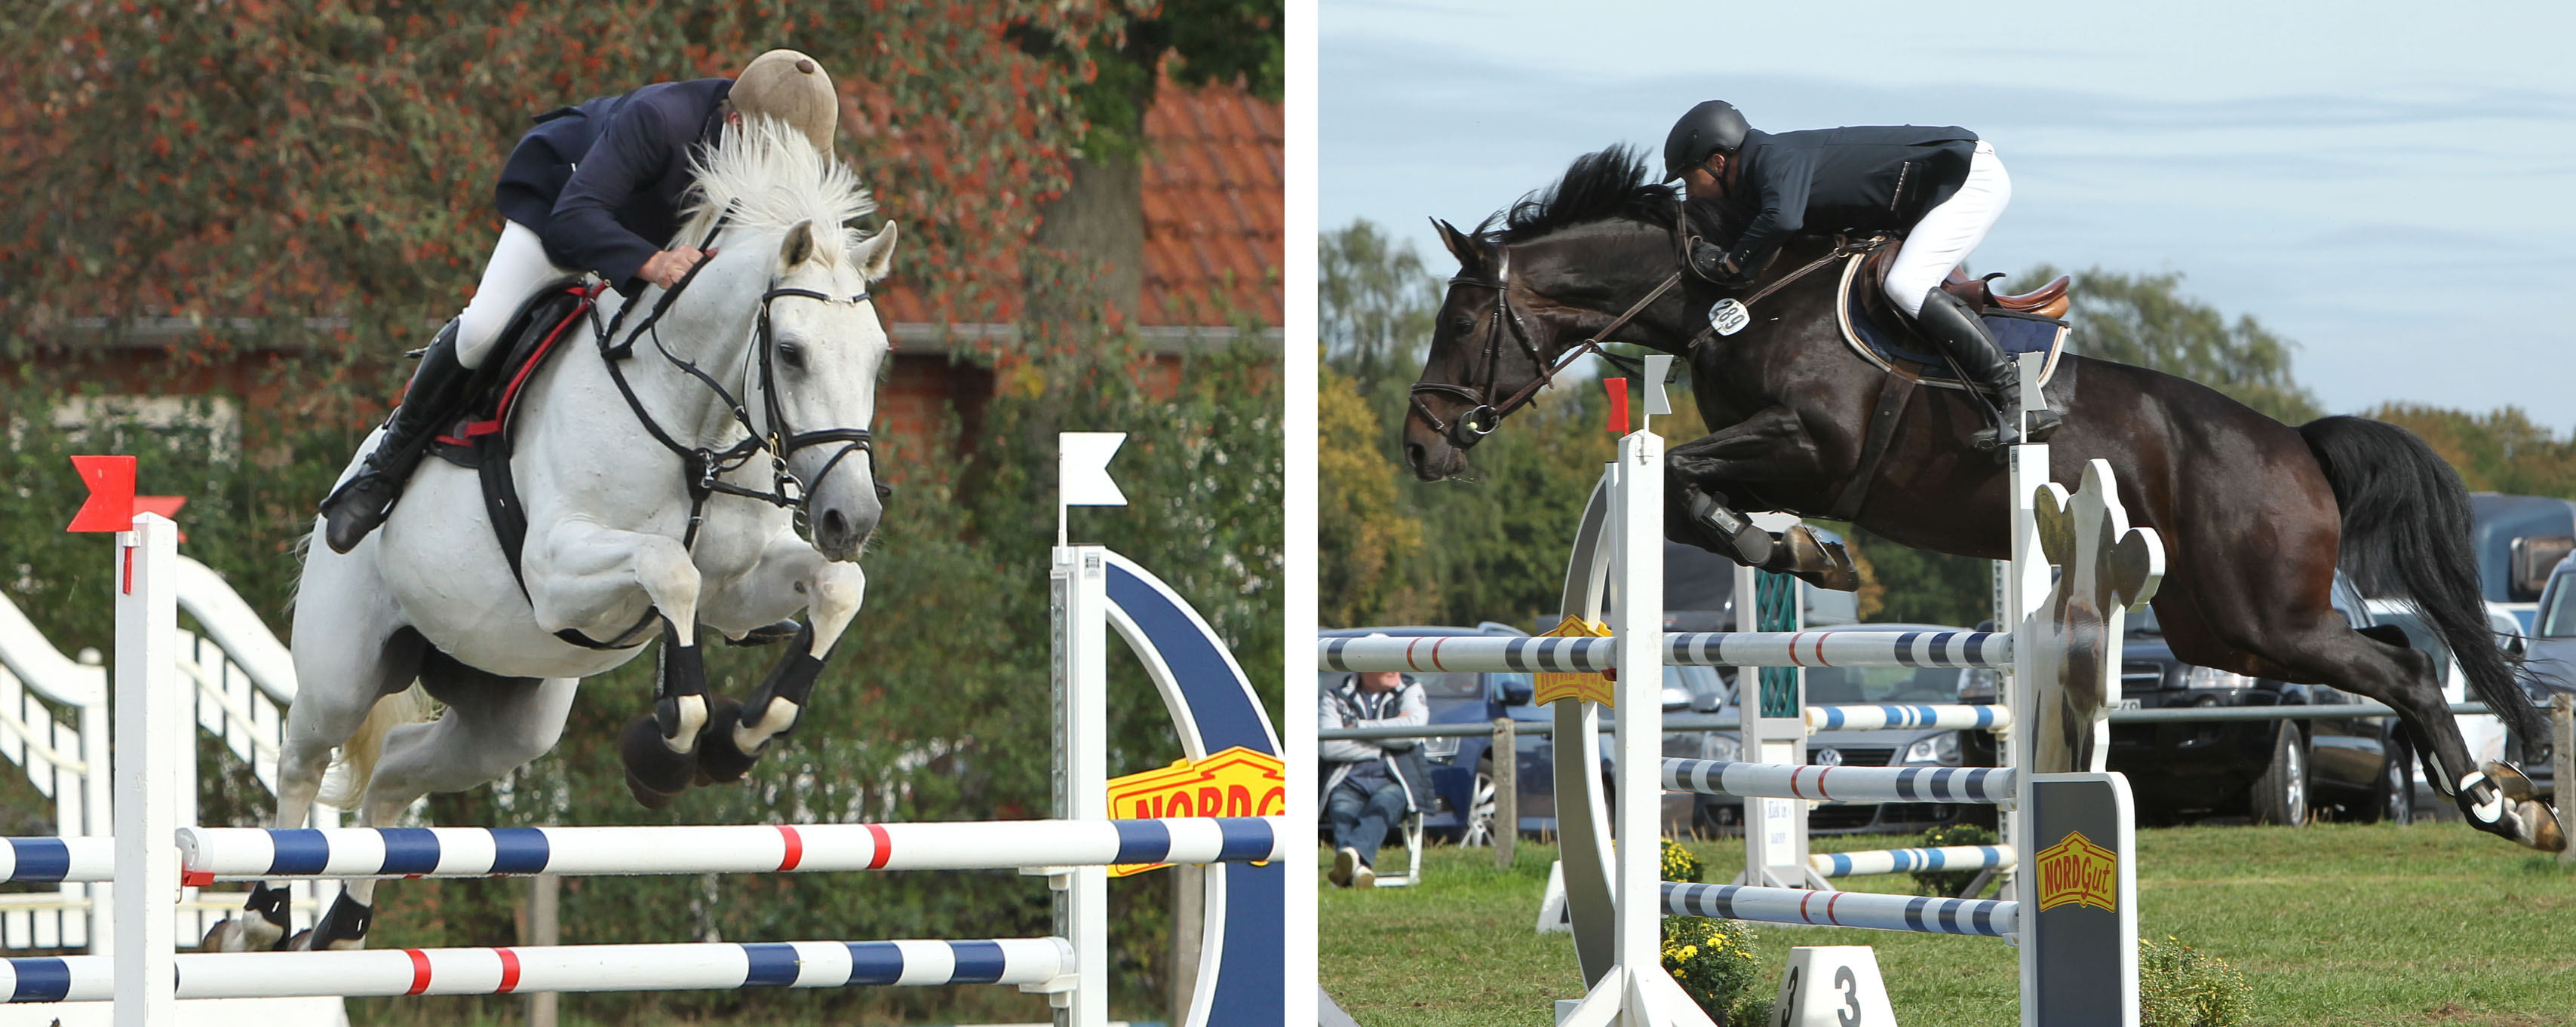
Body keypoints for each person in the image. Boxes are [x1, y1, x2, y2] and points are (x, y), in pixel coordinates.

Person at [317, 49, 843, 553]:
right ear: (736, 126)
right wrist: (652, 263)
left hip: (653, 240)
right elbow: (574, 222)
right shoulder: (657, 119)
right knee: (484, 328)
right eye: (777, 159)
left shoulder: (786, 157)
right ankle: (384, 468)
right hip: (568, 207)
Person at [1662, 100, 2061, 447]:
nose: (1689, 192)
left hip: (1968, 180)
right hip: (1941, 185)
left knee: (1905, 285)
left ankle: (2018, 398)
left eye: (1687, 178)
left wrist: (1731, 264)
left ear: (1717, 161)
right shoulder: (1762, 168)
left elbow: (1782, 220)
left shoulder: (1771, 159)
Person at [1319, 669, 1432, 888]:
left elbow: (1412, 732)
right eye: (1385, 662)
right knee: (1342, 808)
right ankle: (1358, 871)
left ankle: (1351, 863)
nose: (1394, 669)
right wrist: (1384, 743)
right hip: (1348, 780)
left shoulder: (1410, 690)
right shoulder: (1335, 696)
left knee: (1385, 803)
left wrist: (1358, 728)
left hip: (1394, 780)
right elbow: (1330, 746)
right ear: (1364, 668)